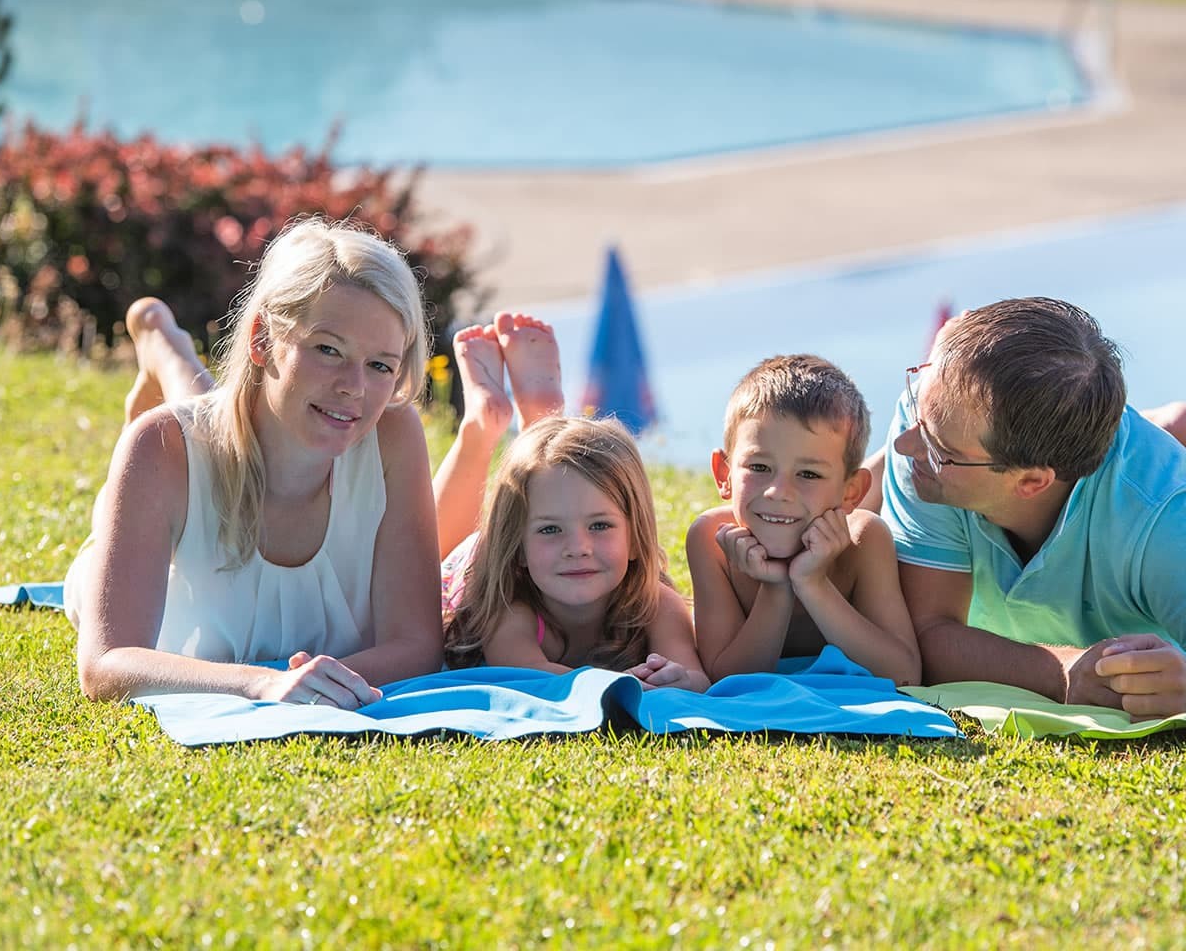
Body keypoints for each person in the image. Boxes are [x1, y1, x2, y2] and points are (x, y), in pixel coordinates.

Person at [861, 297, 1186, 717]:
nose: (907, 445)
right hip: (1069, 465)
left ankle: (1164, 430)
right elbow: (925, 636)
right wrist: (1063, 675)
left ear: (1031, 481)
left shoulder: (1168, 522)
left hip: (1136, 495)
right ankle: (1163, 425)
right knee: (852, 504)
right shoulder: (935, 418)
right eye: (916, 410)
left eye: (939, 449)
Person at [66, 218, 444, 708]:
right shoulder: (160, 448)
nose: (355, 387)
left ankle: (169, 352)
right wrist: (262, 683)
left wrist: (320, 679)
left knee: (220, 410)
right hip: (177, 465)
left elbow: (418, 645)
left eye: (380, 365)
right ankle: (163, 341)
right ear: (262, 338)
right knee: (194, 427)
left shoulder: (393, 434)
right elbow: (105, 664)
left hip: (242, 421)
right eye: (328, 349)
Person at [687, 355, 920, 685]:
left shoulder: (864, 541)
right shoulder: (712, 541)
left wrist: (813, 583)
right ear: (724, 474)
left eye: (808, 474)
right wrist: (776, 589)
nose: (778, 492)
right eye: (759, 468)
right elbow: (726, 680)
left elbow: (904, 675)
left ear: (851, 491)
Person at [443, 415, 711, 692]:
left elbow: (696, 678)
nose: (578, 548)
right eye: (550, 529)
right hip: (460, 572)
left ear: (635, 538)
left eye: (599, 525)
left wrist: (678, 679)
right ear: (517, 546)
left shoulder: (657, 604)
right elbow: (526, 675)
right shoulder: (508, 608)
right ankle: (484, 417)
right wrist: (621, 683)